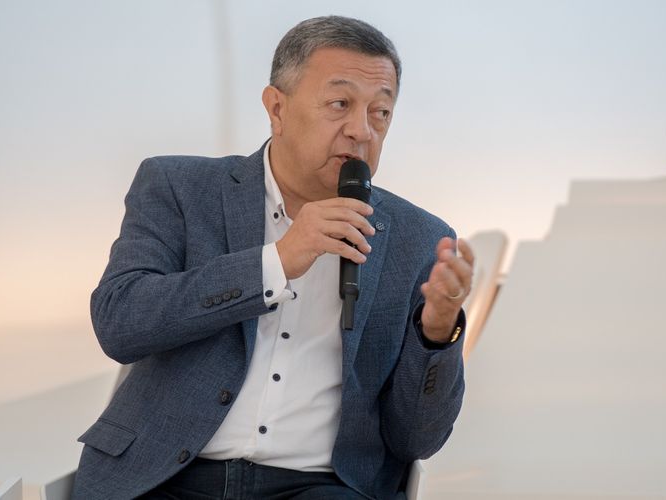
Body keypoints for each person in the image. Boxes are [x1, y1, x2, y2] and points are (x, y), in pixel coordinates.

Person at [72, 15, 474, 500]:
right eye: (340, 104)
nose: (361, 131)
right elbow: (120, 323)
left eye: (380, 112)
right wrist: (277, 262)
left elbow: (417, 440)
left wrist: (437, 333)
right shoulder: (179, 187)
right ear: (277, 108)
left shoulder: (420, 239)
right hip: (165, 477)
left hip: (318, 486)